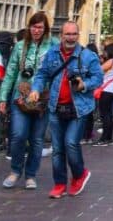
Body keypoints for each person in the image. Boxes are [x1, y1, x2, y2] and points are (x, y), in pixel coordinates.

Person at [28, 21, 102, 199]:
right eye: (67, 34)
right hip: (55, 107)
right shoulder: (52, 53)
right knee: (58, 148)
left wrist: (85, 84)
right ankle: (60, 183)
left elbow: (98, 78)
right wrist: (36, 89)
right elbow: (42, 74)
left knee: (70, 143)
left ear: (78, 35)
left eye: (74, 34)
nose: (70, 38)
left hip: (78, 108)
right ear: (61, 35)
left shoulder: (87, 56)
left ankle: (79, 175)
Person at [0, 11, 56, 190]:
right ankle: (16, 170)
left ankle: (31, 175)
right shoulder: (20, 46)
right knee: (18, 135)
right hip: (20, 98)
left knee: (37, 139)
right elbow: (10, 73)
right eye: (33, 26)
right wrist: (2, 97)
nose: (36, 30)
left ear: (45, 29)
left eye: (40, 27)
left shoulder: (53, 46)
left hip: (43, 100)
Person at [93, 44, 113, 146]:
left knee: (104, 114)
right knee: (109, 114)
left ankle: (104, 139)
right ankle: (109, 138)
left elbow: (98, 70)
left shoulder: (111, 61)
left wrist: (100, 63)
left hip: (106, 89)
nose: (104, 53)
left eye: (105, 51)